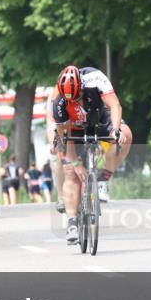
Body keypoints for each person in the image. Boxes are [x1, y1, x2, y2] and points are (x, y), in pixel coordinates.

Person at [53, 65, 133, 244]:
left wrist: (116, 131)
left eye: (78, 97)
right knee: (71, 173)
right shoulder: (59, 103)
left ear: (82, 85)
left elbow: (114, 105)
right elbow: (66, 139)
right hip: (74, 127)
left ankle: (104, 177)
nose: (76, 102)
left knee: (126, 136)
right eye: (71, 101)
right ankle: (72, 222)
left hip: (100, 115)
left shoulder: (95, 77)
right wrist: (76, 164)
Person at [44, 91, 66, 213]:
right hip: (60, 124)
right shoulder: (54, 93)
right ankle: (61, 196)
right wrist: (53, 143)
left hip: (79, 123)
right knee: (58, 156)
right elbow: (51, 123)